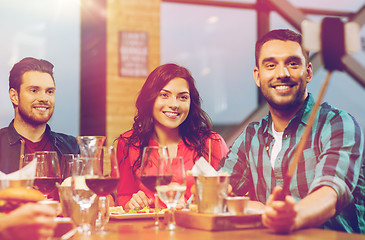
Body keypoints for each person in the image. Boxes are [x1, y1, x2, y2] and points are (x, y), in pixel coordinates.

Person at [219, 29, 365, 233]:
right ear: (257, 76)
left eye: (293, 63)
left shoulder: (338, 124)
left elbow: (330, 192)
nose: (282, 74)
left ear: (308, 72)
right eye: (271, 65)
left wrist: (293, 216)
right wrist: (261, 210)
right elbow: (216, 190)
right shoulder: (251, 135)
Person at [116, 63, 229, 210]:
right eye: (164, 95)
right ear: (150, 98)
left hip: (196, 229)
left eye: (182, 97)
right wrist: (132, 202)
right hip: (149, 230)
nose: (174, 104)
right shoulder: (129, 144)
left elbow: (227, 195)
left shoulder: (211, 143)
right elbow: (124, 195)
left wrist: (194, 206)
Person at [0, 57, 79, 174]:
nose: (44, 98)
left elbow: (88, 190)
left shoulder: (72, 147)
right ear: (14, 96)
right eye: (34, 90)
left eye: (49, 92)